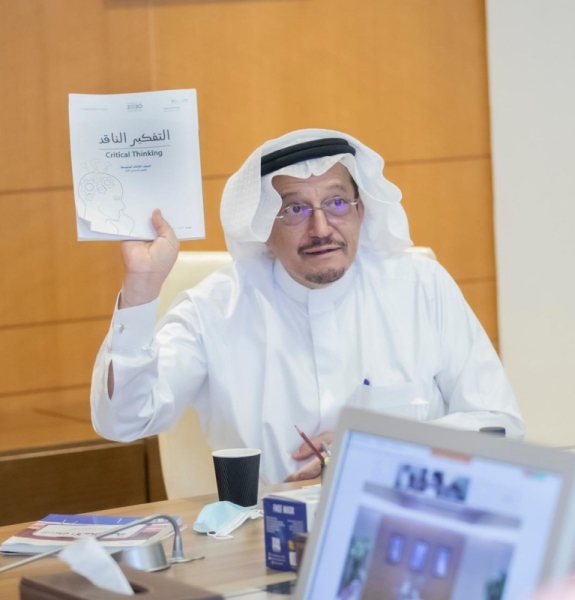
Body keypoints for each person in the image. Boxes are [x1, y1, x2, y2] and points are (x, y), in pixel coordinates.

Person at [90, 129, 524, 485]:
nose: (321, 228)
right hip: (264, 547)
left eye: (336, 203)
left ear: (361, 209)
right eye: (295, 209)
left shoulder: (420, 288)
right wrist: (141, 289)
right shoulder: (213, 311)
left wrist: (373, 448)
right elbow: (124, 421)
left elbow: (499, 426)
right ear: (262, 227)